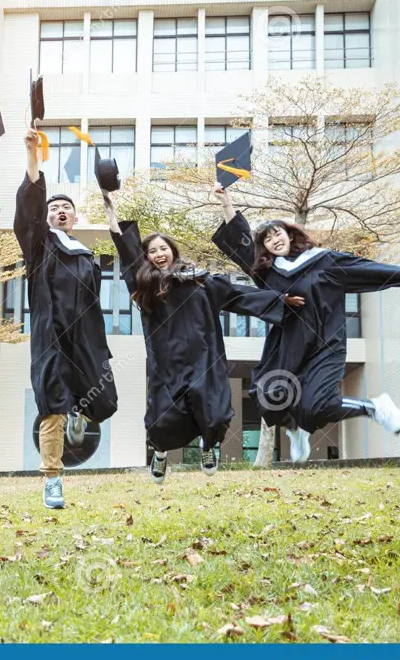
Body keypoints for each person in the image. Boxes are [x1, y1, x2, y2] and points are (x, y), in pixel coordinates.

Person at [212, 184, 400, 462]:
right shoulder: (266, 270)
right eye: (267, 238)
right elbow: (239, 240)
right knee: (268, 395)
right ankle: (295, 427)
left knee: (317, 405)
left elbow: (370, 270)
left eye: (277, 233)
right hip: (286, 346)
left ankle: (374, 408)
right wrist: (226, 201)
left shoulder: (325, 261)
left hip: (325, 344)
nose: (274, 240)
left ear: (289, 234)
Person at [103, 194, 301, 479]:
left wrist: (280, 300)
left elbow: (240, 295)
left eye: (164, 248)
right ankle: (159, 453)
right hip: (167, 363)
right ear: (146, 257)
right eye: (153, 251)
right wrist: (113, 217)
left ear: (173, 251)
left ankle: (209, 446)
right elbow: (125, 250)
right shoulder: (144, 284)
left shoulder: (200, 279)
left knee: (216, 411)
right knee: (163, 416)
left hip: (204, 358)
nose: (159, 254)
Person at [16, 131, 118, 509]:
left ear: (75, 218)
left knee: (103, 400)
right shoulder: (39, 245)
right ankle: (52, 479)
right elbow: (28, 210)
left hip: (86, 339)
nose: (60, 210)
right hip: (51, 337)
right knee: (53, 403)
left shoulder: (86, 256)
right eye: (53, 207)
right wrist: (32, 155)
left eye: (66, 208)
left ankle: (82, 412)